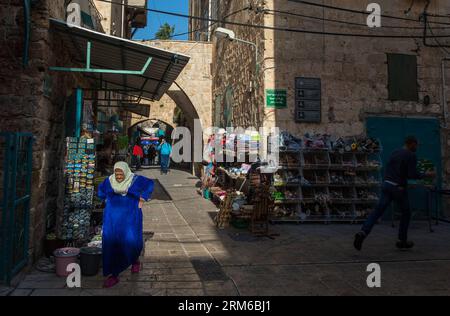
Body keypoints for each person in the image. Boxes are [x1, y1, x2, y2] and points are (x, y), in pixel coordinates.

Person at [354, 136, 435, 251]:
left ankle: (363, 232)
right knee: (406, 212)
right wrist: (427, 174)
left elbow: (390, 169)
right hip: (398, 188)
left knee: (377, 212)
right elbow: (412, 174)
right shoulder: (411, 155)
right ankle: (402, 240)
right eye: (416, 145)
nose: (417, 147)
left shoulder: (394, 152)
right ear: (411, 143)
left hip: (387, 185)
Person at [98, 162, 154, 288]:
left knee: (131, 241)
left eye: (120, 173)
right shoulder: (109, 181)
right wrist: (106, 198)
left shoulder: (135, 180)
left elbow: (150, 184)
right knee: (112, 244)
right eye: (116, 173)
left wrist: (142, 198)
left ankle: (135, 260)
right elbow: (101, 191)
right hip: (112, 219)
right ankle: (114, 274)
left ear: (126, 171)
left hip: (130, 217)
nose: (118, 176)